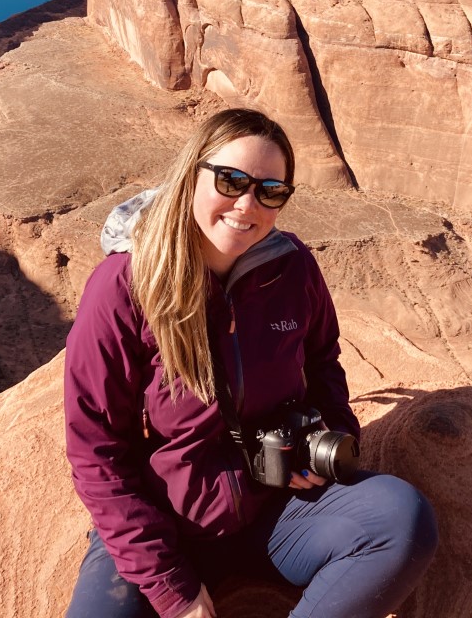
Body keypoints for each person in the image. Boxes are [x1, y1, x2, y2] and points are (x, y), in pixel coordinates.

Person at [64, 107, 438, 618]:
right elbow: (95, 451)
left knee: (399, 519)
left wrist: (324, 442)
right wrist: (173, 593)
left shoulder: (292, 269)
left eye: (270, 190)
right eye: (231, 180)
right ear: (191, 172)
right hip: (165, 524)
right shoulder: (124, 286)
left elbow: (324, 361)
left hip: (275, 512)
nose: (247, 204)